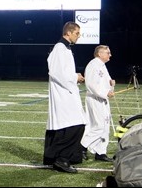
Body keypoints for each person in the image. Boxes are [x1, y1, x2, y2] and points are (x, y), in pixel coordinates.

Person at [43, 21, 87, 174]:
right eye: (77, 34)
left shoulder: (65, 49)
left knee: (70, 126)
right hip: (63, 94)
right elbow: (57, 72)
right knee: (76, 125)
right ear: (68, 32)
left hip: (67, 92)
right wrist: (76, 77)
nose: (78, 37)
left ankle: (60, 158)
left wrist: (75, 78)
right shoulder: (60, 48)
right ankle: (61, 159)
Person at [81, 45, 115, 162]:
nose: (110, 55)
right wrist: (106, 92)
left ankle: (101, 152)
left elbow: (105, 83)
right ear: (100, 54)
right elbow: (91, 84)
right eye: (108, 52)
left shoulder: (102, 66)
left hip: (102, 100)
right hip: (95, 99)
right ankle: (82, 147)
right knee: (99, 126)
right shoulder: (93, 65)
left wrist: (111, 85)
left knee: (105, 126)